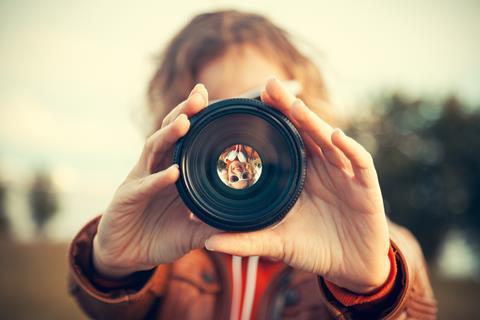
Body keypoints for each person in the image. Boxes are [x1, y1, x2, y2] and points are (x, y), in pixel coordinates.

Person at [68, 10, 437, 320]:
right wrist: (112, 267)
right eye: (216, 116)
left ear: (307, 112)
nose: (242, 135)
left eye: (264, 105)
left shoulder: (365, 242)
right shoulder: (165, 252)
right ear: (175, 128)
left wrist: (374, 286)